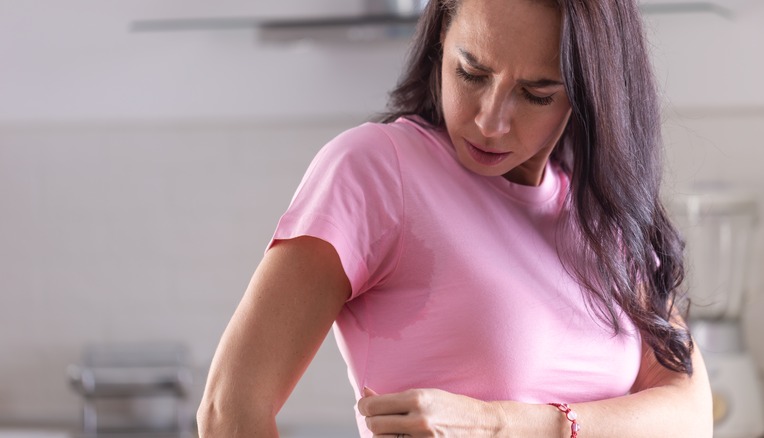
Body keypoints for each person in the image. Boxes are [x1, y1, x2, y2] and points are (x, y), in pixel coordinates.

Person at [197, 0, 714, 436]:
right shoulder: (377, 171)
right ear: (440, 39)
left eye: (536, 93)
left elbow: (689, 412)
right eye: (472, 72)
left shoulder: (605, 219)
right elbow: (230, 408)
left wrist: (502, 424)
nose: (491, 120)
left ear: (587, 95)